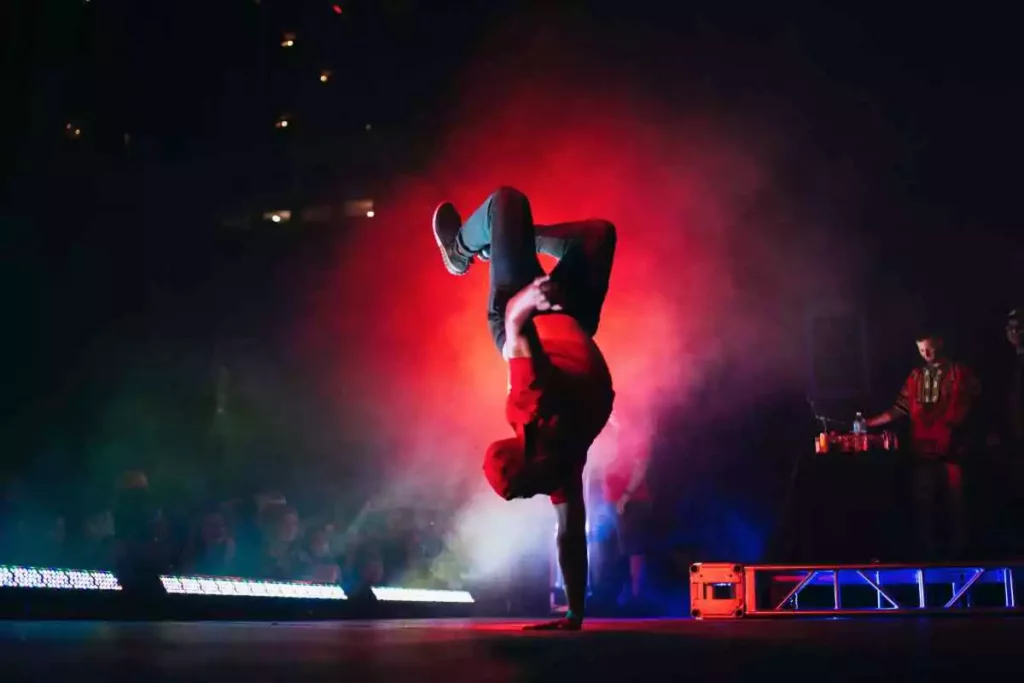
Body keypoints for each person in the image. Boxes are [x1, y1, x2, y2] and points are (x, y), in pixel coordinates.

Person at [433, 187, 616, 630]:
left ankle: (459, 253)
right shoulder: (562, 466)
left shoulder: (530, 409)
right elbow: (570, 538)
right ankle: (501, 238)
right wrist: (574, 613)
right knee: (597, 236)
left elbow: (515, 327)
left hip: (520, 309)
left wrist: (529, 301)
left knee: (507, 202)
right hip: (571, 315)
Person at [866, 332, 980, 559]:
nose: (926, 354)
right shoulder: (916, 376)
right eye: (921, 350)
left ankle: (961, 554)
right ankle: (928, 554)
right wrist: (869, 422)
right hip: (922, 449)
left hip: (952, 449)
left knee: (956, 502)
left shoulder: (959, 373)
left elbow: (975, 405)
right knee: (924, 503)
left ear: (940, 343)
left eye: (929, 349)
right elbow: (900, 408)